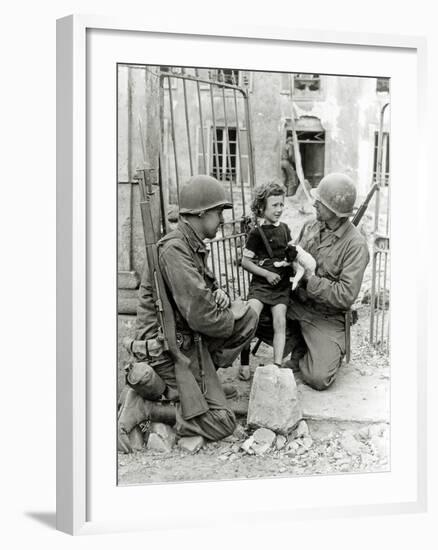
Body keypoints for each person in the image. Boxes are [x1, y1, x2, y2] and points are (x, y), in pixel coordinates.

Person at [118, 175, 258, 452]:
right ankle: (148, 406)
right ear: (201, 213)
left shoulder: (190, 244)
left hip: (187, 339)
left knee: (249, 316)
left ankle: (203, 384)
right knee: (223, 422)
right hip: (167, 351)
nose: (221, 220)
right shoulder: (175, 250)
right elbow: (201, 316)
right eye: (219, 213)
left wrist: (223, 299)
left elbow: (205, 295)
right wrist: (227, 312)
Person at [284, 172, 370, 390]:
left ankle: (311, 350)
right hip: (297, 304)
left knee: (319, 378)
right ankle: (301, 342)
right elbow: (294, 252)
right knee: (257, 317)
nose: (314, 204)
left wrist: (311, 280)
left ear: (335, 211)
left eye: (320, 202)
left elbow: (345, 295)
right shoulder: (311, 226)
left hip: (327, 316)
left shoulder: (356, 246)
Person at [239, 181, 297, 379]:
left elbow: (291, 255)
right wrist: (266, 274)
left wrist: (292, 264)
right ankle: (245, 364)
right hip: (261, 285)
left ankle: (277, 365)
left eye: (281, 204)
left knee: (280, 322)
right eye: (274, 205)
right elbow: (245, 262)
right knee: (250, 320)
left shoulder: (286, 229)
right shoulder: (256, 233)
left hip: (280, 286)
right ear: (262, 208)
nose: (279, 209)